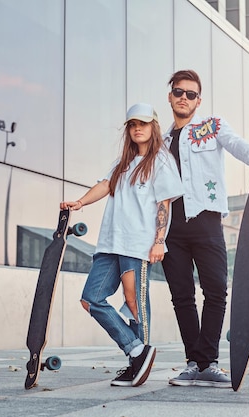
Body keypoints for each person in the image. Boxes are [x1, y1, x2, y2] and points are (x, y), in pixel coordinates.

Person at [162, 69, 249, 388]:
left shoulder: (210, 126)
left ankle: (208, 362)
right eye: (178, 92)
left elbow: (236, 144)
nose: (183, 98)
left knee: (216, 290)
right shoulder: (161, 141)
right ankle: (193, 363)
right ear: (170, 95)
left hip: (206, 221)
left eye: (190, 94)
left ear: (198, 101)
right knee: (181, 296)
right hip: (171, 229)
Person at [61, 103, 183, 387]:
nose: (137, 128)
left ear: (153, 126)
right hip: (109, 244)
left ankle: (136, 363)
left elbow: (164, 204)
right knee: (91, 299)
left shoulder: (161, 161)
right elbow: (104, 185)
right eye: (132, 124)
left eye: (142, 123)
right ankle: (138, 351)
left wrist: (159, 241)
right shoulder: (123, 163)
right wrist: (79, 203)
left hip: (137, 245)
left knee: (134, 303)